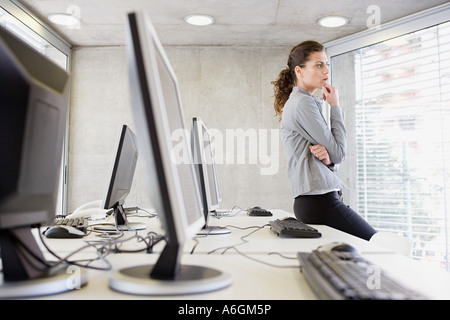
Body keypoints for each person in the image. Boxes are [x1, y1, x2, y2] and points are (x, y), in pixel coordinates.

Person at [272, 40, 376, 241]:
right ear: (299, 71)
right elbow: (339, 152)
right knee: (374, 242)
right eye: (319, 65)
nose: (325, 70)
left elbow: (330, 157)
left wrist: (329, 161)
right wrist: (335, 106)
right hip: (319, 202)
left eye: (326, 64)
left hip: (317, 200)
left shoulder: (304, 102)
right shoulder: (302, 103)